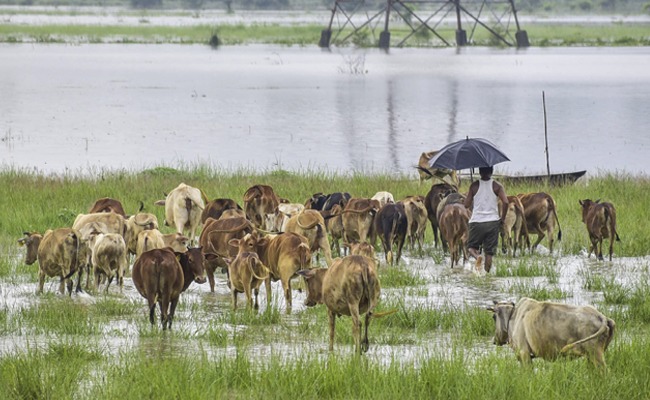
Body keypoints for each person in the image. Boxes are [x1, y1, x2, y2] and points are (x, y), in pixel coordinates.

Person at [463, 166, 509, 273]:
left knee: (471, 248)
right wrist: (502, 218)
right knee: (489, 253)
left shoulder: (474, 186)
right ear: (492, 171)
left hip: (477, 222)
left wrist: (470, 194)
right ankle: (486, 275)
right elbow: (506, 202)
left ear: (479, 171)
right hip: (493, 222)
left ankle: (477, 256)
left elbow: (466, 205)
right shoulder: (497, 186)